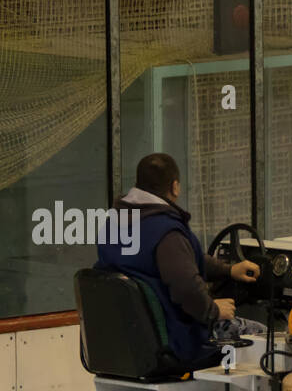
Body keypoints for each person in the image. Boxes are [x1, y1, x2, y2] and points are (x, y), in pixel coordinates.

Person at [97, 152, 262, 366]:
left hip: (129, 340)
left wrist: (228, 270)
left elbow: (181, 259)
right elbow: (185, 287)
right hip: (176, 338)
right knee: (264, 337)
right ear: (175, 187)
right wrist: (213, 310)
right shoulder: (166, 230)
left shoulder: (112, 223)